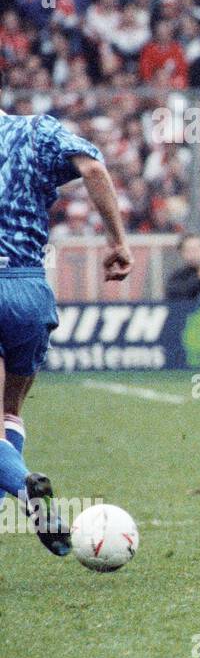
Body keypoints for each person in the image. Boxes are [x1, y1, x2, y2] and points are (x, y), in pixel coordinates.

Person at [0, 110, 132, 556]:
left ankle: (23, 490)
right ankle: (16, 487)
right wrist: (117, 241)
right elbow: (93, 167)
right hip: (28, 288)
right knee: (9, 410)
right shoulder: (35, 130)